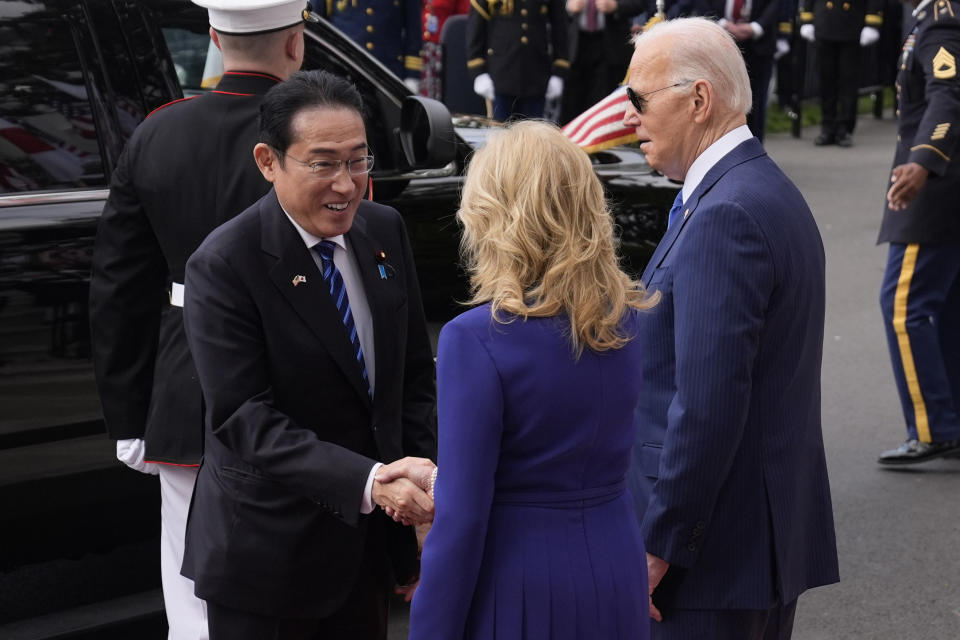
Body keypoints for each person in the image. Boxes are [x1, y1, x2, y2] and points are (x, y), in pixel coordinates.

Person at [180, 69, 437, 640]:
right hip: (269, 558)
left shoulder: (383, 230)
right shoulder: (226, 263)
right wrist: (369, 482)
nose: (345, 185)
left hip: (367, 549)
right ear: (269, 162)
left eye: (357, 160)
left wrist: (423, 501)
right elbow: (243, 417)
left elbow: (413, 377)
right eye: (322, 164)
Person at [88, 1, 308, 637]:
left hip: (190, 385)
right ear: (296, 44)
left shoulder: (158, 130)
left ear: (213, 38)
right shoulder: (315, 133)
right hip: (295, 381)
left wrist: (128, 416)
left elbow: (119, 286)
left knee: (192, 598)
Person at [395, 120, 657, 639]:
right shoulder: (624, 316)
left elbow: (463, 518)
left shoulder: (476, 338)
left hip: (517, 582)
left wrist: (430, 628)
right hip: (614, 566)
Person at [622, 18, 839, 638]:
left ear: (698, 100)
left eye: (639, 98)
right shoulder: (753, 189)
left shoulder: (727, 213)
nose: (629, 115)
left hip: (711, 558)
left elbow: (708, 403)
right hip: (747, 542)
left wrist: (659, 545)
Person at [876, 0, 960, 465]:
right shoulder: (931, 18)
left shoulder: (941, 23)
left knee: (904, 306)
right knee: (944, 308)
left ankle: (932, 428)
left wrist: (924, 159)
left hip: (937, 185)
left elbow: (948, 95)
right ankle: (952, 420)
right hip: (948, 183)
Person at [696, 0, 784, 141]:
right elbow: (703, 5)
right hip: (720, 46)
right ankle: (723, 150)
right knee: (720, 101)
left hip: (758, 47)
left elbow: (775, 5)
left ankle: (754, 150)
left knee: (756, 103)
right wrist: (723, 25)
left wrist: (755, 28)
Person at [468, 0, 570, 120]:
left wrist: (559, 71)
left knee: (533, 133)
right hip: (500, 75)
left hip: (536, 74)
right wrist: (478, 72)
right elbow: (476, 28)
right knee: (501, 133)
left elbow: (560, 26)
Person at [799, 0, 884, 147]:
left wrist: (872, 23)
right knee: (826, 81)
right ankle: (827, 127)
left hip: (851, 23)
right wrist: (807, 18)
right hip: (824, 22)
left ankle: (844, 129)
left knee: (848, 82)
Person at [560, 0, 647, 125]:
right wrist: (568, 5)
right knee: (572, 106)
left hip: (610, 47)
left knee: (601, 105)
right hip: (575, 47)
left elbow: (640, 4)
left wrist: (616, 6)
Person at [309, 0, 422, 93]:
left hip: (386, 76)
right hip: (341, 72)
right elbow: (315, 23)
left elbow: (414, 31)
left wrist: (412, 76)